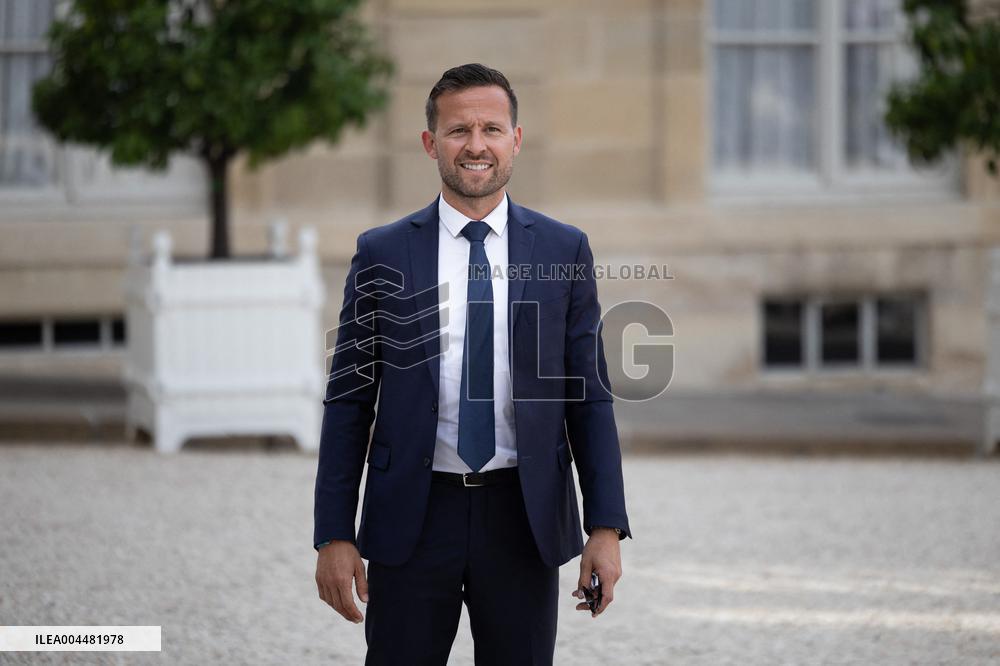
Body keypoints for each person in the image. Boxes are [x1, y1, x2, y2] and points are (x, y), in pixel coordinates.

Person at [314, 63, 632, 666]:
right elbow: (349, 399)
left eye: (492, 128)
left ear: (517, 138)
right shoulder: (382, 251)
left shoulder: (564, 249)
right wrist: (334, 533)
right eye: (459, 130)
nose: (476, 145)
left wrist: (606, 528)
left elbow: (590, 396)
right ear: (431, 143)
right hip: (412, 513)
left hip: (524, 515)